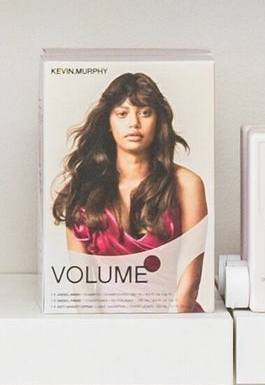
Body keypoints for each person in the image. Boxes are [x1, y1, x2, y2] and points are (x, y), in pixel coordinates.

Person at [49, 69, 209, 312]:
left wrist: (172, 337)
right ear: (108, 124)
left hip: (175, 324)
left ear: (158, 120)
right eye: (122, 114)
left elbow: (189, 285)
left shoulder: (187, 185)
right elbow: (81, 290)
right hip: (105, 329)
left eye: (145, 113)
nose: (134, 123)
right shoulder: (82, 189)